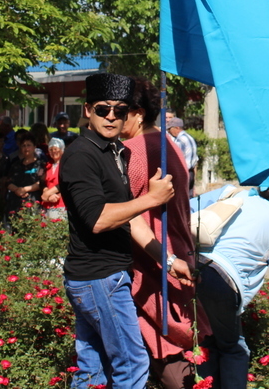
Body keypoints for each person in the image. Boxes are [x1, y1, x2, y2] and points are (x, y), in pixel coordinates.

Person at [58, 73, 192, 389]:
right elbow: (99, 219)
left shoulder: (114, 151)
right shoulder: (82, 155)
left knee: (93, 372)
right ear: (88, 109)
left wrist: (170, 262)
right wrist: (151, 199)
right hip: (98, 278)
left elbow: (130, 221)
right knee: (132, 367)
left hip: (104, 277)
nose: (112, 117)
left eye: (119, 110)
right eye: (104, 109)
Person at [123, 78, 206, 389]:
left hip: (154, 266)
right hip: (177, 256)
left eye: (119, 112)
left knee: (169, 361)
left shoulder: (134, 151)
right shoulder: (166, 142)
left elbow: (125, 213)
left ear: (137, 112)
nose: (113, 120)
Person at [192, 186, 269, 389]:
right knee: (234, 350)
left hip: (188, 267)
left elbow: (186, 208)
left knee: (206, 341)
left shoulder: (232, 193)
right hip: (222, 281)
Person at [5, 132, 46, 219]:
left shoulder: (41, 165)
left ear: (35, 147)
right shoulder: (15, 165)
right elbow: (8, 182)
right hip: (15, 204)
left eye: (29, 145)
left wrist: (24, 189)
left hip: (33, 203)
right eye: (23, 145)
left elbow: (41, 182)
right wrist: (17, 190)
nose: (26, 148)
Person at [166, 117, 198, 195]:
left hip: (183, 172)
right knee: (188, 198)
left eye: (170, 129)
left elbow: (175, 157)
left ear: (177, 128)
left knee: (180, 197)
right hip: (190, 172)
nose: (169, 131)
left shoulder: (180, 140)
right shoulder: (189, 138)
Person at [41, 137, 68, 221]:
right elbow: (41, 181)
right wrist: (46, 192)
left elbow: (65, 182)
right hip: (47, 203)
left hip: (61, 202)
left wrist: (53, 194)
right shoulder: (47, 165)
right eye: (51, 150)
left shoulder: (66, 165)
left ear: (62, 149)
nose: (53, 152)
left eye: (56, 149)